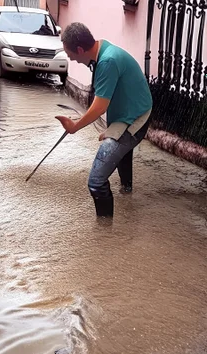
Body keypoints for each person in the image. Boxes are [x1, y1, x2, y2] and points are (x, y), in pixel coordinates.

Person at [55, 23, 152, 218]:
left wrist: (74, 126)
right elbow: (101, 101)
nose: (70, 57)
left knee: (96, 182)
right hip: (130, 111)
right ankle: (127, 195)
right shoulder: (103, 50)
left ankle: (106, 234)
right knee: (122, 155)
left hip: (136, 118)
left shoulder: (107, 61)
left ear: (80, 49)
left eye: (69, 53)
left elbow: (100, 107)